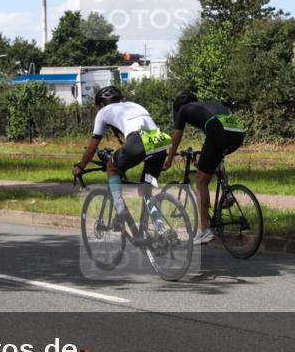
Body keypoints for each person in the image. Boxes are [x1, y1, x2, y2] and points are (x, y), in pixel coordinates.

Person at [72, 85, 172, 231]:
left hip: (138, 141)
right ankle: (162, 230)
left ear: (101, 104)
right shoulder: (134, 105)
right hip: (161, 143)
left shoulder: (103, 112)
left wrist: (80, 166)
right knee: (146, 191)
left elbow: (93, 145)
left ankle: (121, 212)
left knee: (111, 167)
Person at [162, 90, 244, 244]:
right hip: (237, 132)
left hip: (218, 132)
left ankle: (205, 230)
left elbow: (176, 138)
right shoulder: (207, 105)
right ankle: (227, 193)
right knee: (214, 159)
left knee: (201, 181)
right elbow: (211, 140)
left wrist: (169, 159)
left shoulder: (183, 111)